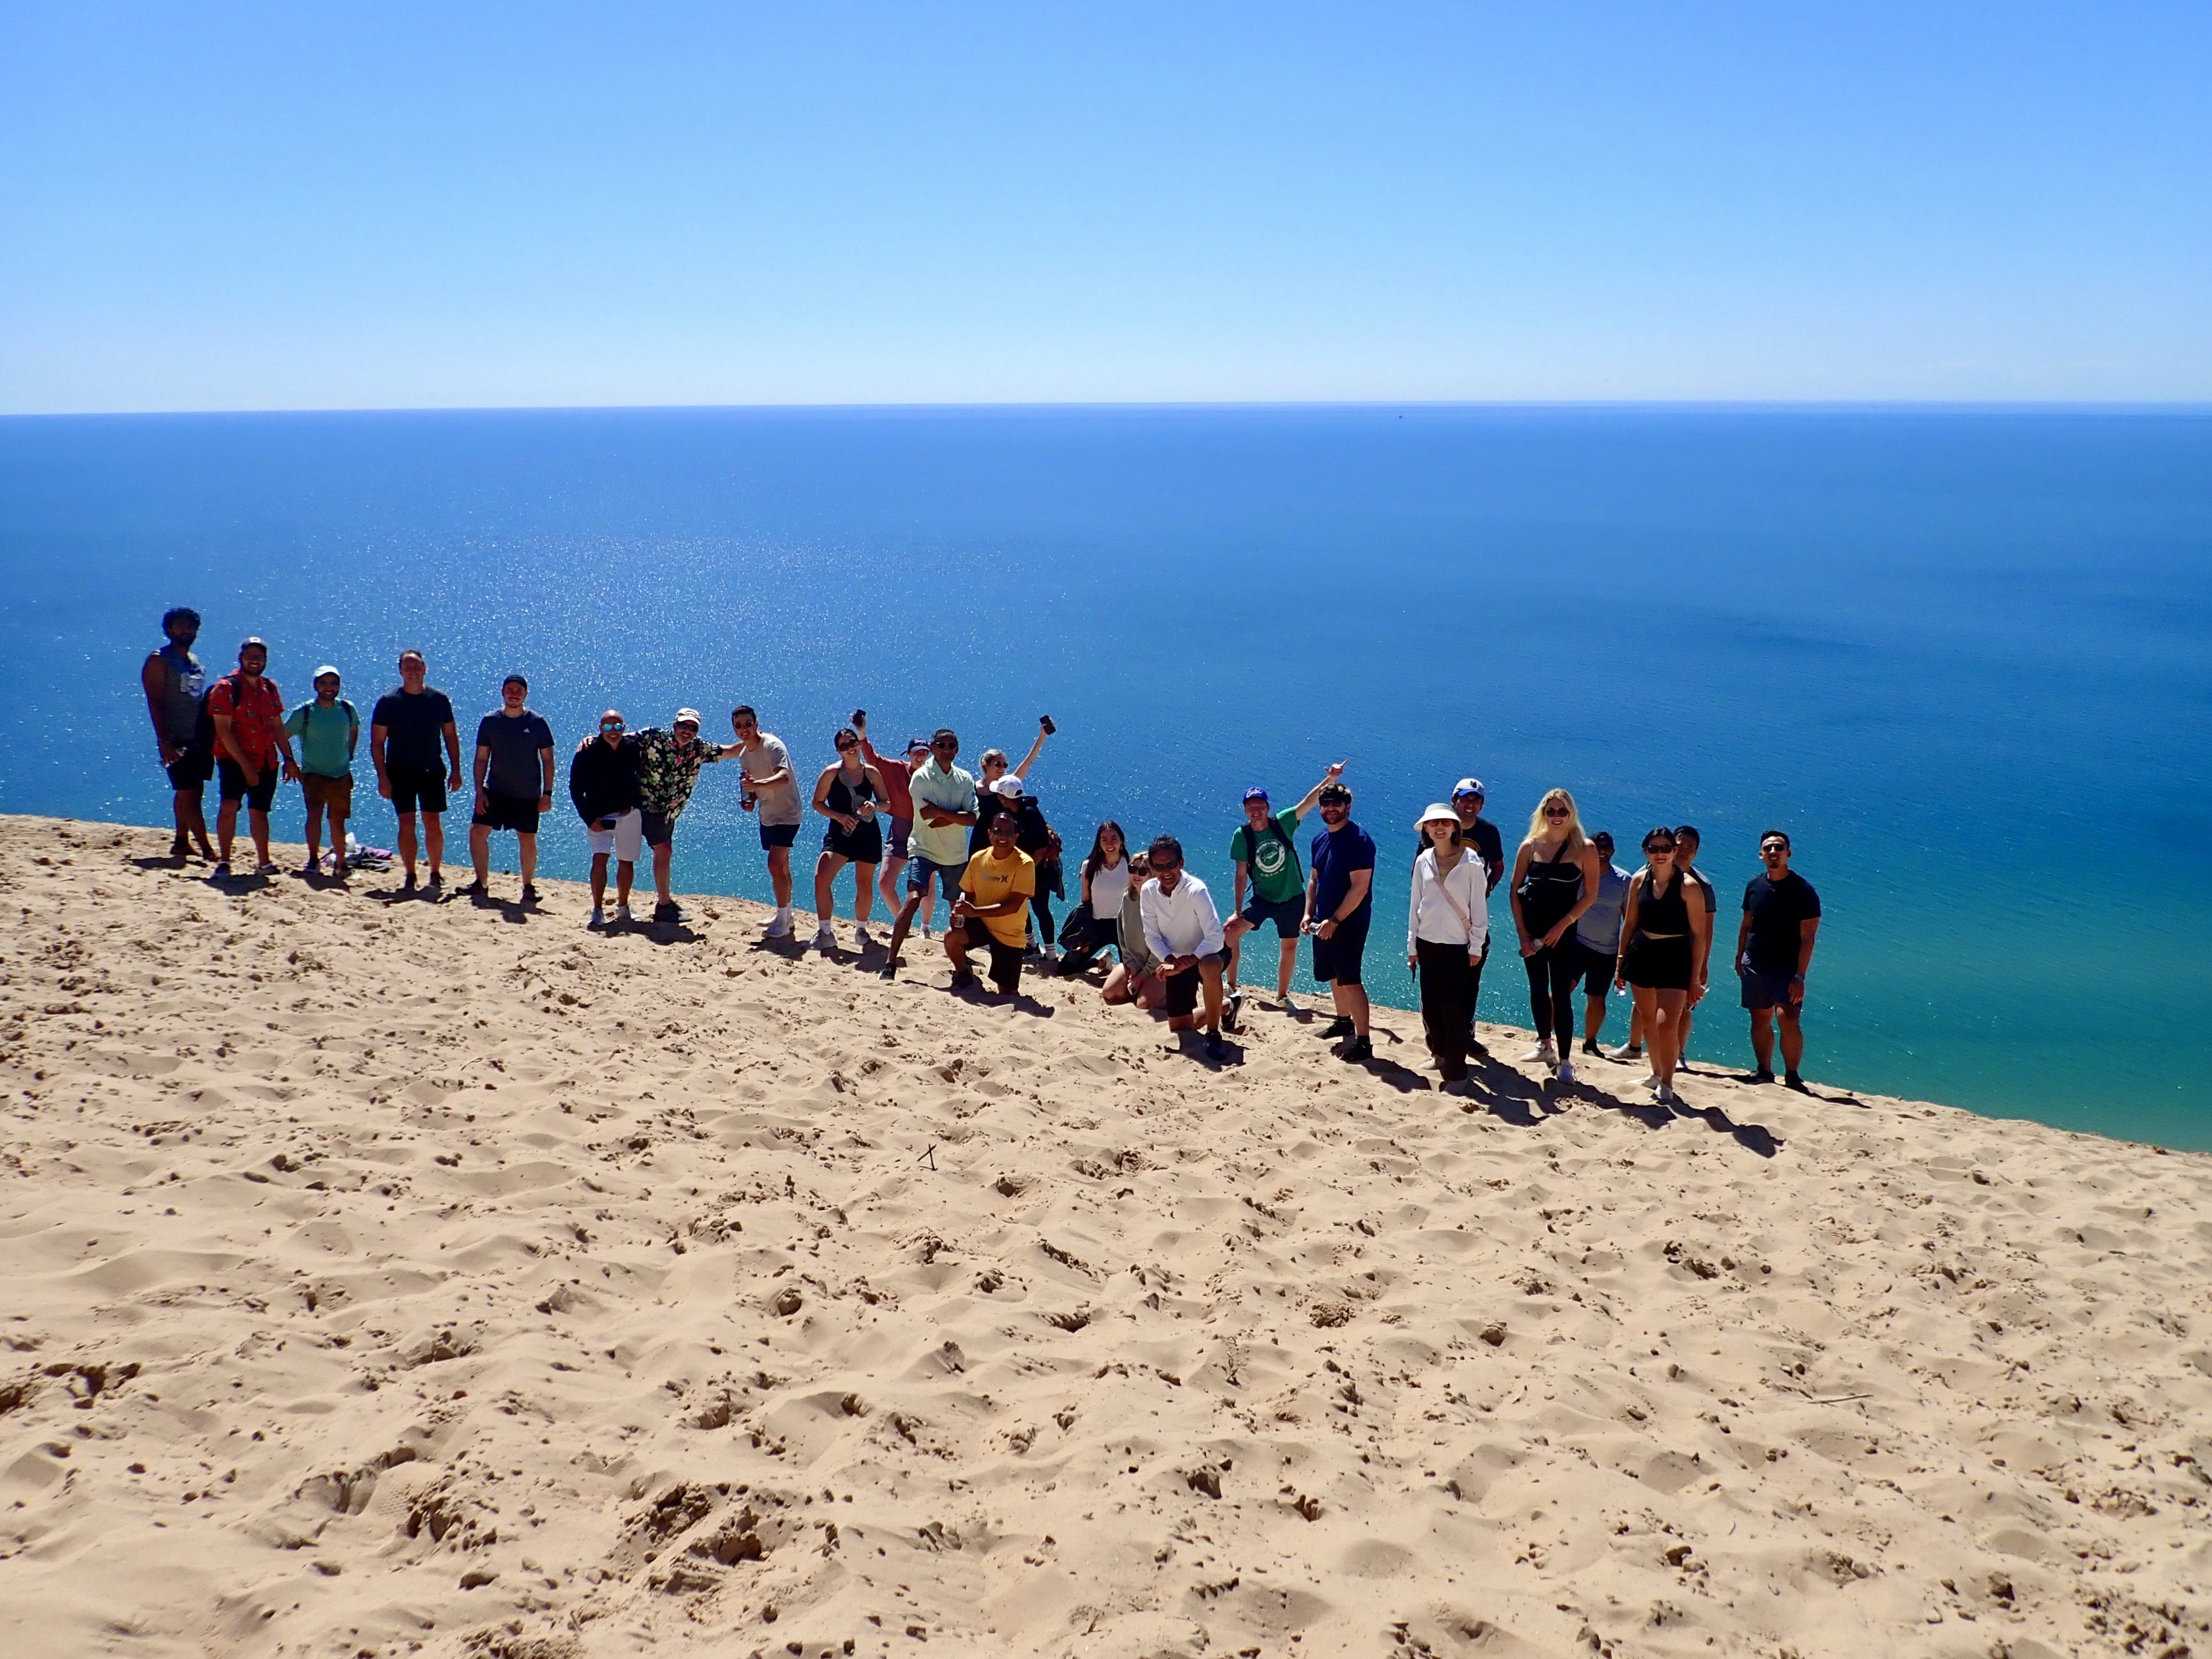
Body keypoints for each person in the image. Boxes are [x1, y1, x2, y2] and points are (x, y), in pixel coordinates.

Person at [1224, 763, 1346, 1006]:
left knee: (1289, 947)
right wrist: (1237, 911)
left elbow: (1309, 803)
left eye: (1260, 806)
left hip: (1292, 899)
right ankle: (1231, 986)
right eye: (1251, 807)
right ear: (1245, 811)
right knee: (1230, 933)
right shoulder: (1242, 835)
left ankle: (1282, 997)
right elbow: (1240, 875)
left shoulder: (1283, 823)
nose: (1256, 811)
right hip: (1262, 899)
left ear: (1268, 808)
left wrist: (1330, 779)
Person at [1508, 788, 1603, 1084]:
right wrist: (1523, 934)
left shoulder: (1584, 848)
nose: (1557, 817)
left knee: (1561, 995)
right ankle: (1544, 1044)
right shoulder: (1530, 846)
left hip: (1564, 932)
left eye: (1563, 811)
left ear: (1572, 813)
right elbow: (1514, 891)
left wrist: (1563, 925)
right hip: (1533, 930)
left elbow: (1590, 895)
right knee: (1537, 989)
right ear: (1543, 814)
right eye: (1551, 811)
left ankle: (1564, 1061)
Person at [1615, 828, 1710, 1107]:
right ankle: (1656, 1074)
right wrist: (1620, 962)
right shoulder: (1638, 880)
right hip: (1643, 952)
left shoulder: (1689, 887)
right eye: (1654, 848)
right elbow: (1630, 923)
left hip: (1675, 956)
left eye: (1666, 848)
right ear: (1645, 851)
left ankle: (1668, 1083)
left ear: (1674, 851)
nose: (1660, 853)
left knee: (1666, 1025)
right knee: (1647, 1021)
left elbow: (1699, 935)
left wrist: (1695, 978)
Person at [881, 730, 977, 979]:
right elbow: (927, 818)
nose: (947, 749)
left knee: (958, 909)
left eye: (952, 745)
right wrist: (957, 816)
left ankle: (961, 961)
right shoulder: (921, 777)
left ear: (957, 749)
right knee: (914, 898)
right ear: (933, 747)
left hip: (954, 854)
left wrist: (943, 813)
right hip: (923, 848)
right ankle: (890, 962)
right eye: (942, 745)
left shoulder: (965, 778)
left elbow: (973, 818)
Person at [1406, 805, 1488, 1087]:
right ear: (1426, 829)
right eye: (1433, 823)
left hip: (1458, 947)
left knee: (1454, 1008)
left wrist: (1476, 945)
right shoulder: (1423, 861)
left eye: (1445, 822)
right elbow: (1416, 904)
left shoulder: (1472, 862)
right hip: (1427, 943)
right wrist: (1412, 944)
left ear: (1455, 827)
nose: (1439, 827)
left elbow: (1479, 907)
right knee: (1430, 1005)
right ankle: (1439, 1053)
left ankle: (1456, 1069)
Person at [371, 650, 462, 894]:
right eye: (407, 667)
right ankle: (410, 874)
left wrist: (456, 770)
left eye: (417, 666)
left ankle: (435, 872)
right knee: (406, 822)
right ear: (400, 671)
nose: (413, 671)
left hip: (432, 770)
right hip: (400, 772)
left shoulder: (439, 700)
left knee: (433, 822)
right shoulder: (389, 702)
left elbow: (450, 735)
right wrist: (382, 777)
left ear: (425, 669)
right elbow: (377, 742)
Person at [633, 709, 738, 923]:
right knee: (664, 850)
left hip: (671, 813)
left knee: (664, 853)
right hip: (649, 807)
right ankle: (663, 906)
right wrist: (592, 740)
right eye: (684, 726)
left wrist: (756, 738)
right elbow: (619, 740)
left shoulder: (699, 748)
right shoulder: (653, 737)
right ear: (674, 725)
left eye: (693, 728)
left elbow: (730, 751)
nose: (687, 731)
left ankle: (665, 901)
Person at [1737, 831, 1821, 1087]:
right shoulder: (1754, 886)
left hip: (1787, 967)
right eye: (1768, 848)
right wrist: (1739, 955)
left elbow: (1808, 937)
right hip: (1755, 962)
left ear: (1788, 854)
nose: (1773, 852)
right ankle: (1764, 1071)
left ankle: (1793, 1075)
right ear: (1761, 854)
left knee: (1789, 1019)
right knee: (1760, 1018)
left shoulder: (1803, 891)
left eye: (1779, 848)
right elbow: (1747, 923)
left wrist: (1800, 976)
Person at [207, 637, 294, 878]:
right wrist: (245, 766)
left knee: (260, 811)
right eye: (250, 656)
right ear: (241, 658)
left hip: (267, 758)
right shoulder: (226, 687)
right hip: (234, 758)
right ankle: (224, 861)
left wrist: (288, 757)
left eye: (260, 657)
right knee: (229, 805)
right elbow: (223, 730)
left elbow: (277, 725)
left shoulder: (269, 688)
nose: (255, 661)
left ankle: (264, 862)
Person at [1138, 836, 1230, 1061]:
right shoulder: (1148, 892)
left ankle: (1213, 1033)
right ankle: (1228, 1005)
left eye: (1171, 864)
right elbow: (1151, 936)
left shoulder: (1196, 890)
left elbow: (1215, 937)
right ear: (1152, 867)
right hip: (1176, 960)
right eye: (1159, 866)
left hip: (1208, 952)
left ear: (1181, 863)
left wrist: (1186, 962)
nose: (1166, 871)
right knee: (1180, 1027)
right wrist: (1171, 961)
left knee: (1209, 966)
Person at [468, 675, 556, 904]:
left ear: (526, 694)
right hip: (495, 790)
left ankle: (528, 887)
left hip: (527, 794)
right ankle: (481, 883)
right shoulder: (490, 721)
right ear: (502, 692)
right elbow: (481, 759)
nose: (514, 693)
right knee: (477, 832)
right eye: (510, 689)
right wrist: (479, 791)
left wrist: (547, 794)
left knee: (527, 839)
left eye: (519, 690)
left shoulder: (537, 722)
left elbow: (548, 760)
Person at [1305, 781, 1376, 1062]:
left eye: (1337, 803)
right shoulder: (1319, 839)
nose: (1331, 808)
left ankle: (1364, 1041)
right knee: (1333, 974)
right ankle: (1342, 1021)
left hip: (1349, 922)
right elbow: (1314, 880)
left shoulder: (1359, 840)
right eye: (1326, 804)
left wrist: (1335, 920)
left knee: (1350, 979)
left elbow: (1359, 888)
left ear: (1348, 806)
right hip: (1323, 921)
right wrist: (1308, 914)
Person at [971, 722, 1056, 959]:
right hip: (982, 844)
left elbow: (1027, 763)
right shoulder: (973, 788)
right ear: (985, 765)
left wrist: (1041, 737)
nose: (1003, 767)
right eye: (998, 764)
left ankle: (1037, 947)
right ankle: (989, 937)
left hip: (1012, 851)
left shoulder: (1009, 787)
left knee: (1019, 900)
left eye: (1005, 764)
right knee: (983, 893)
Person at [141, 606, 214, 861]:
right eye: (180, 626)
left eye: (190, 626)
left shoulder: (195, 663)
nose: (186, 631)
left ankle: (181, 841)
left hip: (199, 738)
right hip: (176, 737)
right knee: (188, 793)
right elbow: (155, 701)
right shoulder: (159, 659)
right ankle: (207, 848)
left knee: (192, 792)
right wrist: (164, 741)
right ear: (169, 630)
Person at [810, 727, 888, 950]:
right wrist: (839, 817)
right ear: (838, 751)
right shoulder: (831, 773)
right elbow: (817, 803)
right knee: (822, 876)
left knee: (864, 883)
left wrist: (874, 806)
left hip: (867, 834)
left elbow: (886, 803)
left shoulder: (871, 773)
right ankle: (825, 931)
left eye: (852, 743)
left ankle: (861, 931)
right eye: (844, 746)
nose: (850, 748)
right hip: (840, 834)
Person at [946, 804, 1035, 997]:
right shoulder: (978, 858)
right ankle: (963, 973)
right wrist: (959, 913)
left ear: (1016, 836)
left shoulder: (1025, 864)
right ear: (989, 834)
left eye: (1008, 832)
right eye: (998, 831)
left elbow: (1014, 905)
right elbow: (968, 894)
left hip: (1009, 934)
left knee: (1007, 992)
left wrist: (975, 911)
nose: (1002, 836)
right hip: (982, 925)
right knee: (952, 937)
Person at [283, 666, 360, 883]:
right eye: (324, 683)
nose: (329, 688)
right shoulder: (305, 712)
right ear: (316, 685)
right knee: (314, 816)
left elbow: (355, 729)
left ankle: (341, 864)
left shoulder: (347, 709)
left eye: (333, 683)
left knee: (338, 821)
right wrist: (289, 762)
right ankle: (313, 859)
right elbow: (282, 735)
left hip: (341, 774)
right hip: (314, 774)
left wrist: (350, 753)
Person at [731, 706, 803, 937]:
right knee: (782, 866)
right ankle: (786, 916)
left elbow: (783, 777)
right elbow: (751, 787)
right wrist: (750, 800)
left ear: (756, 724)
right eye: (739, 725)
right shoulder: (743, 755)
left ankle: (782, 921)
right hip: (768, 815)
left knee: (774, 864)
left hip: (788, 813)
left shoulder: (773, 746)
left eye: (748, 724)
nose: (744, 730)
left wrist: (756, 787)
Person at [568, 710, 641, 927]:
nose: (613, 731)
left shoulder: (633, 748)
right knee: (600, 859)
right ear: (600, 728)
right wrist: (589, 819)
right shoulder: (587, 751)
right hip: (598, 817)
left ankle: (623, 907)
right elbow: (575, 789)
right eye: (608, 727)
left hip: (629, 815)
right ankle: (598, 909)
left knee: (626, 862)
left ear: (624, 728)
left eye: (617, 726)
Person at [1449, 779, 1507, 1046]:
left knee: (1472, 976)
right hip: (1442, 914)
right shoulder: (1441, 826)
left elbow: (1497, 865)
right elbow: (1420, 864)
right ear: (1455, 800)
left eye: (1476, 800)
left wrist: (1488, 890)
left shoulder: (1489, 832)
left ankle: (1465, 1032)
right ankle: (1439, 1036)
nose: (1470, 804)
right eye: (1465, 799)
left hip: (1474, 915)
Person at [854, 713, 925, 924]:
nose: (920, 756)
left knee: (926, 886)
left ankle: (926, 928)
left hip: (925, 832)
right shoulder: (896, 768)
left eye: (924, 753)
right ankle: (903, 923)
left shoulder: (934, 775)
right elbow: (872, 759)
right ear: (909, 754)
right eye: (916, 752)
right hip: (901, 831)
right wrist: (861, 732)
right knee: (885, 883)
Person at [1574, 831, 1631, 1057]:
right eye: (1597, 847)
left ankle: (1590, 1043)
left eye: (1606, 847)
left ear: (1613, 851)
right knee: (1562, 990)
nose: (1602, 851)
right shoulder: (1578, 874)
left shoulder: (1623, 880)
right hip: (1577, 944)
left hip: (1607, 950)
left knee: (1597, 998)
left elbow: (1629, 917)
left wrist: (1624, 954)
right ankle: (1545, 1038)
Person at [1061, 821, 1131, 976]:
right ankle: (1100, 961)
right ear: (1099, 843)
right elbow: (1085, 902)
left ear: (1121, 841)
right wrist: (1082, 934)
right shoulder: (1089, 866)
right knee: (1066, 969)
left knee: (1129, 973)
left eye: (1114, 838)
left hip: (1124, 927)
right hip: (1097, 927)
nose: (1109, 843)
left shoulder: (1131, 866)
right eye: (1104, 839)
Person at [1101, 849, 1167, 1010]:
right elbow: (1122, 935)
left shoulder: (1162, 903)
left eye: (1143, 871)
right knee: (1109, 993)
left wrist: (1143, 975)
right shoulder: (1129, 897)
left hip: (1159, 966)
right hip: (1135, 963)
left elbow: (1164, 946)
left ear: (1153, 875)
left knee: (1144, 1005)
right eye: (1133, 869)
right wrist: (1131, 966)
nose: (1136, 874)